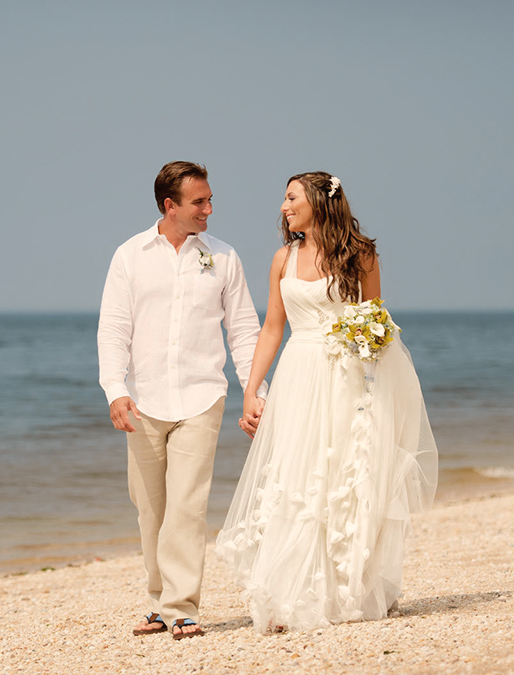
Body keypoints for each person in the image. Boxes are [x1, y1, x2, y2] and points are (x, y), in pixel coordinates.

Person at [215, 171, 438, 634]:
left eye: (291, 197)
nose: (283, 206)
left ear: (319, 200)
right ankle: (291, 592)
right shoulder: (283, 258)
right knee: (296, 474)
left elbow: (374, 319)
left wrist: (372, 375)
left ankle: (344, 590)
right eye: (284, 198)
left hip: (347, 377)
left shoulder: (361, 255)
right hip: (298, 374)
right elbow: (272, 328)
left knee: (343, 475)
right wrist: (252, 390)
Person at [98, 161, 265, 640]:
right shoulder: (129, 256)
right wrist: (116, 390)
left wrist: (254, 392)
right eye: (200, 202)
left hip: (201, 396)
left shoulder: (224, 257)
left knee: (187, 507)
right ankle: (158, 602)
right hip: (143, 400)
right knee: (150, 507)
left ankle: (182, 606)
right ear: (170, 206)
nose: (209, 209)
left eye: (210, 200)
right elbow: (113, 328)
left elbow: (244, 331)